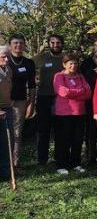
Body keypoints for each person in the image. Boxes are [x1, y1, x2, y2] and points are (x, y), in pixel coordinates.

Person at [53, 53, 91, 175]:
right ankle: (61, 164)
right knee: (64, 140)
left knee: (77, 139)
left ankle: (75, 163)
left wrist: (73, 93)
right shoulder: (59, 76)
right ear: (64, 64)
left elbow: (88, 93)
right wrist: (80, 91)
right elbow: (63, 92)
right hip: (64, 113)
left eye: (75, 63)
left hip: (79, 112)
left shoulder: (80, 77)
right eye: (71, 63)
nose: (73, 66)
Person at [34, 34, 65, 166]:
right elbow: (30, 65)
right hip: (43, 97)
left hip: (61, 98)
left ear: (62, 44)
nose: (55, 45)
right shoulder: (42, 57)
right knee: (43, 130)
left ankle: (59, 157)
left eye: (58, 43)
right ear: (48, 44)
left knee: (60, 130)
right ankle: (42, 160)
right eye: (52, 43)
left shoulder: (66, 58)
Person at [7, 34, 36, 168]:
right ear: (10, 45)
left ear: (24, 45)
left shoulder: (29, 63)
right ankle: (4, 163)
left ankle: (15, 163)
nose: (18, 45)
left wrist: (31, 103)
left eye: (21, 43)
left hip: (20, 102)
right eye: (15, 43)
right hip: (3, 102)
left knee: (17, 133)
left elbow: (31, 85)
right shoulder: (3, 60)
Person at [0, 46, 13, 180]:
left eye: (8, 56)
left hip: (7, 108)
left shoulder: (8, 70)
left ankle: (5, 172)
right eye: (3, 56)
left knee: (6, 142)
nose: (6, 59)